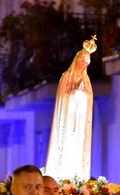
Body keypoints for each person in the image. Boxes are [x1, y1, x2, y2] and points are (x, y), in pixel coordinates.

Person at [44, 37, 96, 180]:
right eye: (82, 60)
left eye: (86, 62)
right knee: (65, 145)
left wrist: (81, 96)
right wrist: (74, 94)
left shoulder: (86, 81)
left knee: (78, 145)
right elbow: (63, 97)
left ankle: (77, 177)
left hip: (79, 118)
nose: (83, 64)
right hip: (67, 117)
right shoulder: (67, 76)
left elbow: (89, 99)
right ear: (76, 60)